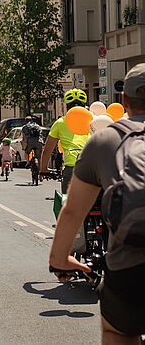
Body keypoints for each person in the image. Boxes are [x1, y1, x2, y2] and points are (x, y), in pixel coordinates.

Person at [49, 64, 145, 343]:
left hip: (130, 271)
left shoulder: (105, 140)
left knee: (117, 331)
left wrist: (60, 259)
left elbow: (72, 211)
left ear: (124, 102)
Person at [40, 89, 89, 193]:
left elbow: (47, 150)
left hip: (72, 167)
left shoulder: (60, 122)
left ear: (67, 107)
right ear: (84, 105)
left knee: (68, 205)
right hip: (94, 169)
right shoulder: (94, 119)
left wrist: (44, 169)